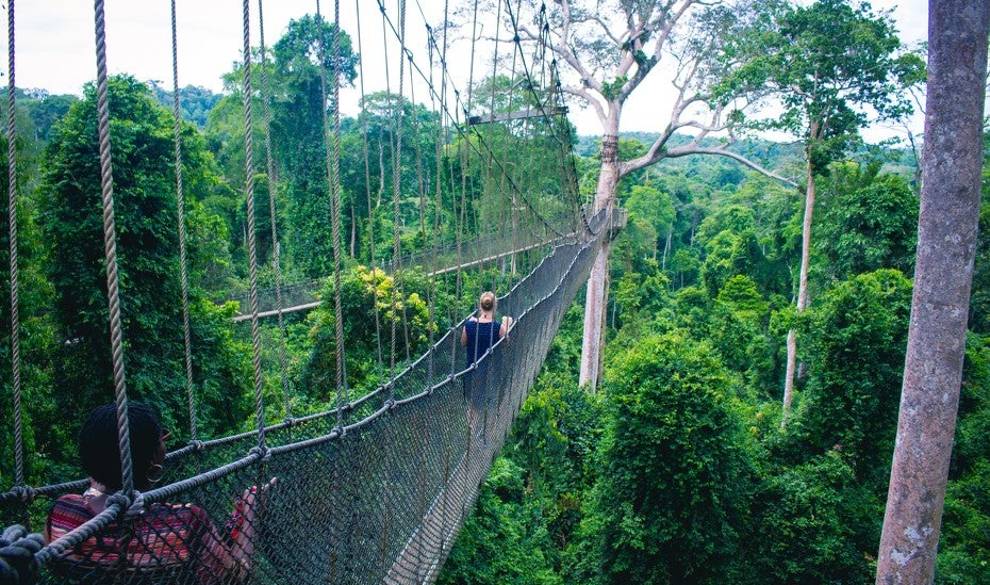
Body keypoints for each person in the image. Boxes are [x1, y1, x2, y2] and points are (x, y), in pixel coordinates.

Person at [46, 403, 275, 584]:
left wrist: (104, 470)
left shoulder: (63, 513)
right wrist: (251, 512)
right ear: (153, 458)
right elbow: (234, 578)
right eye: (161, 441)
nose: (166, 445)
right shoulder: (185, 523)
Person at [461, 292, 513, 437]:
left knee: (473, 404)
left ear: (480, 306)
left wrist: (470, 324)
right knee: (485, 401)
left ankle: (471, 431)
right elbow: (506, 343)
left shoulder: (469, 326)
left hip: (471, 371)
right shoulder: (497, 328)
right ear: (494, 307)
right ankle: (480, 430)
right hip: (490, 373)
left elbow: (463, 343)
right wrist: (507, 325)